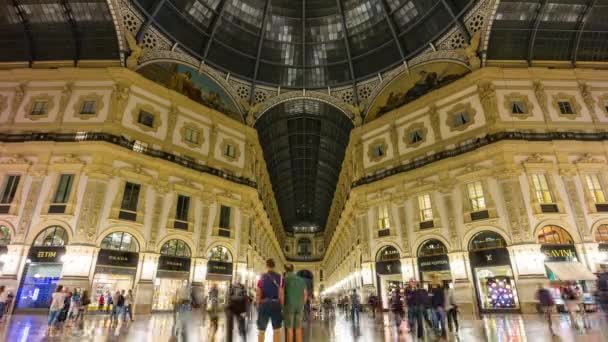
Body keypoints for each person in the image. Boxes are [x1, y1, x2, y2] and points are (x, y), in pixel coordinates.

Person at [256, 258, 284, 342]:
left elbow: (258, 292)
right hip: (276, 304)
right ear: (274, 266)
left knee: (261, 330)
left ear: (266, 266)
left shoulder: (262, 277)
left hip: (264, 304)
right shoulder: (280, 278)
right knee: (277, 330)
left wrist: (258, 304)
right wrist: (281, 305)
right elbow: (281, 294)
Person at [283, 264, 308, 342]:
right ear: (293, 270)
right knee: (298, 328)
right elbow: (305, 294)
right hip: (299, 306)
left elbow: (281, 294)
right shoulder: (301, 280)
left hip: (288, 306)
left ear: (285, 270)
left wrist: (281, 306)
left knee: (289, 329)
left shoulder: (284, 279)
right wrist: (302, 304)